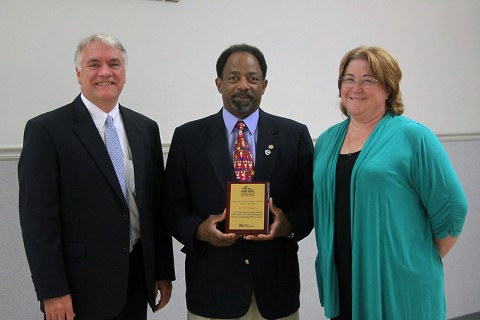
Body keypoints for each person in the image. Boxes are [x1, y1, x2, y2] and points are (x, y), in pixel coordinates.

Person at [18, 33, 175, 320]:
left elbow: (154, 207)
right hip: (78, 289)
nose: (105, 72)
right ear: (79, 73)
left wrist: (162, 270)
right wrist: (51, 290)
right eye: (94, 64)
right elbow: (38, 222)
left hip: (136, 278)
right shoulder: (47, 131)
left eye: (114, 64)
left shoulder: (145, 129)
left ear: (124, 73)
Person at [313, 46, 468, 320]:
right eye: (348, 78)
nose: (356, 87)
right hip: (344, 279)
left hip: (398, 284)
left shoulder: (413, 137)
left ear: (388, 88)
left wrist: (414, 259)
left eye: (368, 79)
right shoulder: (326, 141)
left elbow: (453, 208)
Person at [163, 44, 314, 320]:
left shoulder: (295, 135)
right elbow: (171, 206)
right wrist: (199, 230)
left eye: (252, 78)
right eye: (233, 78)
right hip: (212, 291)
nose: (243, 85)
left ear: (264, 85)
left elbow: (310, 203)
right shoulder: (188, 138)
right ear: (219, 83)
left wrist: (287, 225)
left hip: (276, 291)